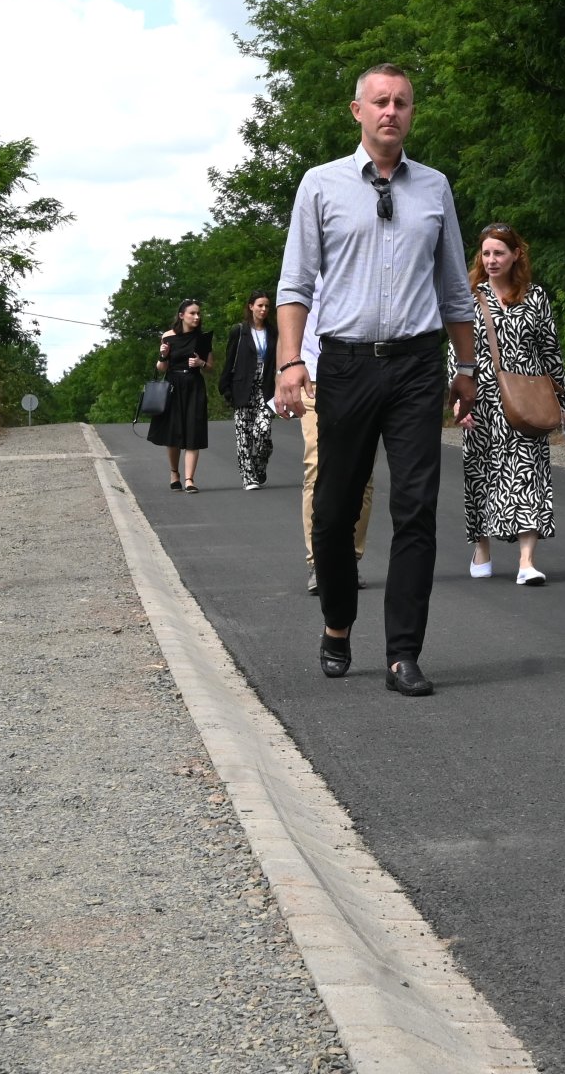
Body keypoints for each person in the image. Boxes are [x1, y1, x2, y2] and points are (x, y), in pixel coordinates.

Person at [275, 63, 478, 699]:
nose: (391, 111)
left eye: (402, 103)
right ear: (357, 111)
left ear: (412, 114)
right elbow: (295, 284)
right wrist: (288, 362)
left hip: (417, 364)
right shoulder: (321, 185)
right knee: (334, 509)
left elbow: (454, 288)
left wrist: (468, 367)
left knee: (415, 508)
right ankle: (338, 624)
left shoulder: (435, 188)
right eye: (380, 102)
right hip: (345, 362)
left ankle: (402, 655)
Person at [457, 223, 565, 586]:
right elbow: (457, 351)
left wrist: (564, 402)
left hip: (526, 397)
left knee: (527, 474)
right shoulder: (468, 296)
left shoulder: (535, 297)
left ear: (515, 255)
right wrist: (462, 403)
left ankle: (527, 561)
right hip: (482, 398)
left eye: (499, 253)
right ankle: (482, 547)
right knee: (482, 473)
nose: (491, 260)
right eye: (486, 253)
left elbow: (551, 352)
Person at [293, 280, 374, 596]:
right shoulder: (306, 264)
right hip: (314, 378)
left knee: (362, 475)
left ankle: (350, 560)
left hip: (363, 377)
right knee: (317, 466)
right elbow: (289, 314)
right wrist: (284, 370)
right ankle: (319, 563)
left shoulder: (366, 256)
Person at [148, 298, 212, 493]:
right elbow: (161, 368)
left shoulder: (203, 338)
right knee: (174, 433)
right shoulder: (168, 336)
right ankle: (174, 473)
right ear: (181, 315)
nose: (197, 317)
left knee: (193, 431)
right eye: (192, 313)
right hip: (173, 386)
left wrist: (200, 363)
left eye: (198, 313)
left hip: (194, 385)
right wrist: (162, 355)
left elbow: (210, 368)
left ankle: (189, 479)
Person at [217, 289, 277, 491]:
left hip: (266, 388)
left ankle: (260, 466)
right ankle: (248, 477)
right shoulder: (239, 331)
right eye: (260, 305)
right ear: (251, 306)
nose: (263, 309)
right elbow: (229, 359)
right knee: (243, 435)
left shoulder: (273, 332)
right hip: (243, 387)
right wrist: (225, 388)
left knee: (263, 432)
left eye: (267, 306)